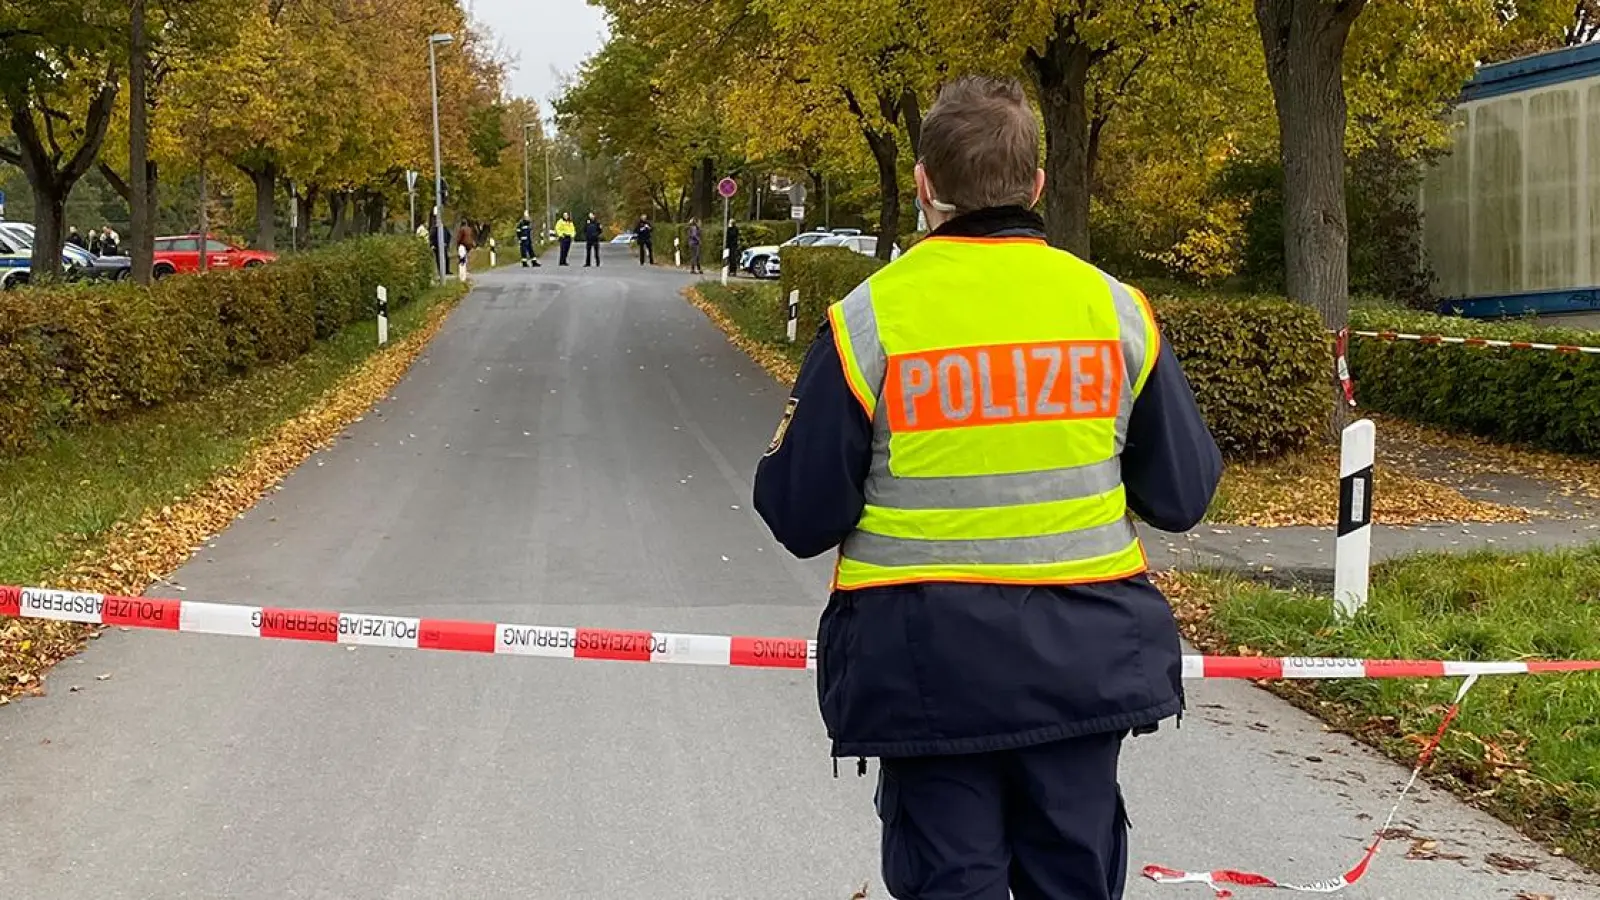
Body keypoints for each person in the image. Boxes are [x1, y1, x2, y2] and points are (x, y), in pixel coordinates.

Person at [751, 75, 1222, 900]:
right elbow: (1182, 495)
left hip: (928, 669)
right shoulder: (1114, 314)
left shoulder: (869, 321)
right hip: (1082, 662)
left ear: (926, 186)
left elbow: (799, 514)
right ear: (1037, 185)